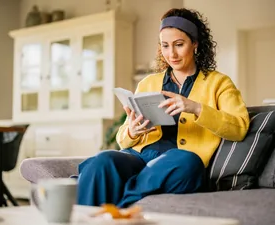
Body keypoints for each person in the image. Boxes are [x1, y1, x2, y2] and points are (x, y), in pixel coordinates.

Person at [76, 8, 250, 208]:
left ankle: (121, 206)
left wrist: (195, 108)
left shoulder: (219, 82)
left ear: (195, 43)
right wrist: (132, 130)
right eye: (165, 46)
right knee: (102, 160)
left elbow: (239, 127)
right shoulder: (148, 82)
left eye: (179, 45)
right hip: (139, 157)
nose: (171, 54)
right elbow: (122, 139)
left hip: (175, 163)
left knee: (187, 161)